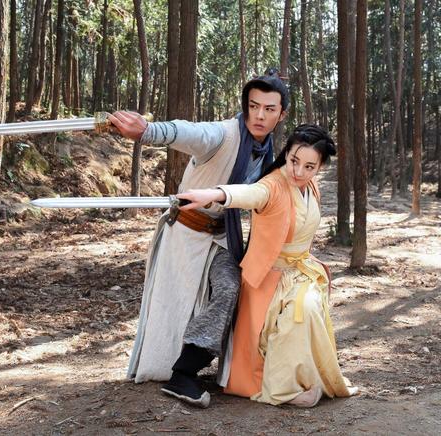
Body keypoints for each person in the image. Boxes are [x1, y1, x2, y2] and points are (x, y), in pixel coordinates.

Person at [107, 68, 289, 408]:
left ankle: (192, 370)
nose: (259, 116)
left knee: (231, 287)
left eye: (269, 109)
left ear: (281, 115)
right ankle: (179, 373)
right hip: (186, 233)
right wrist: (147, 130)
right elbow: (188, 132)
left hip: (222, 237)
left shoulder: (267, 154)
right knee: (175, 308)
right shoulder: (223, 134)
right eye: (253, 106)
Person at [177, 124, 358, 407]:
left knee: (309, 307)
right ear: (286, 154)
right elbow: (252, 193)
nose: (298, 171)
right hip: (269, 277)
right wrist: (217, 194)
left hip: (300, 271)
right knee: (299, 313)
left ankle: (306, 378)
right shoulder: (273, 185)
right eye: (294, 161)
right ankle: (284, 389)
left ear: (320, 167)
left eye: (309, 166)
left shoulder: (311, 187)